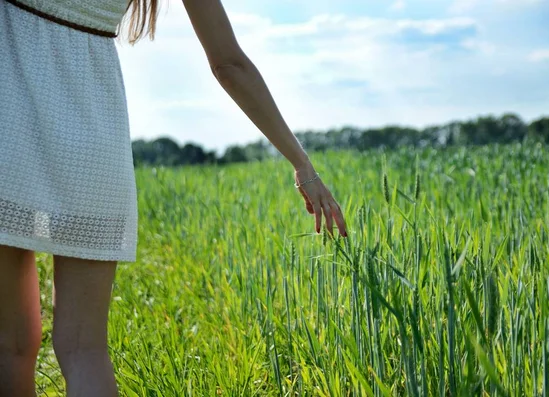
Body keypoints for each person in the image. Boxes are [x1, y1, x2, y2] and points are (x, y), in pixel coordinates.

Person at [0, 0, 348, 395]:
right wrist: (302, 164)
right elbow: (230, 64)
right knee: (84, 349)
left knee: (9, 347)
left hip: (6, 132)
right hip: (95, 147)